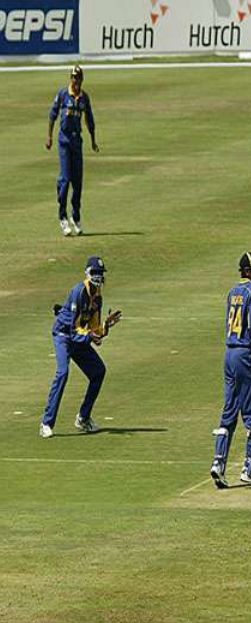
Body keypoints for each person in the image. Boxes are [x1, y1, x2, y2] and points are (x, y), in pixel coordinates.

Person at [210, 252, 251, 489]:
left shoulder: (232, 292)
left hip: (229, 354)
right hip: (243, 356)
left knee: (229, 411)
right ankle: (249, 469)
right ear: (247, 271)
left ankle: (218, 464)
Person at [40, 257, 122, 438]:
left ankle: (83, 418)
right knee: (63, 373)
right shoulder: (79, 291)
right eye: (95, 273)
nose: (99, 277)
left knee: (98, 371)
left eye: (101, 274)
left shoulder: (98, 297)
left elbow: (95, 332)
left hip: (78, 338)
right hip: (63, 336)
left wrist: (106, 326)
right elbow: (72, 329)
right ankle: (46, 422)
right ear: (88, 273)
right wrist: (89, 336)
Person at [46, 65, 99, 237]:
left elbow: (89, 120)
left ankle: (75, 218)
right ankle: (62, 217)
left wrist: (93, 141)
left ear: (82, 79)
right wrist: (49, 137)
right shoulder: (63, 94)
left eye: (78, 78)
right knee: (66, 178)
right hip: (64, 141)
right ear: (71, 79)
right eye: (73, 77)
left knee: (77, 182)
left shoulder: (84, 98)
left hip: (77, 142)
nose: (75, 81)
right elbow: (52, 115)